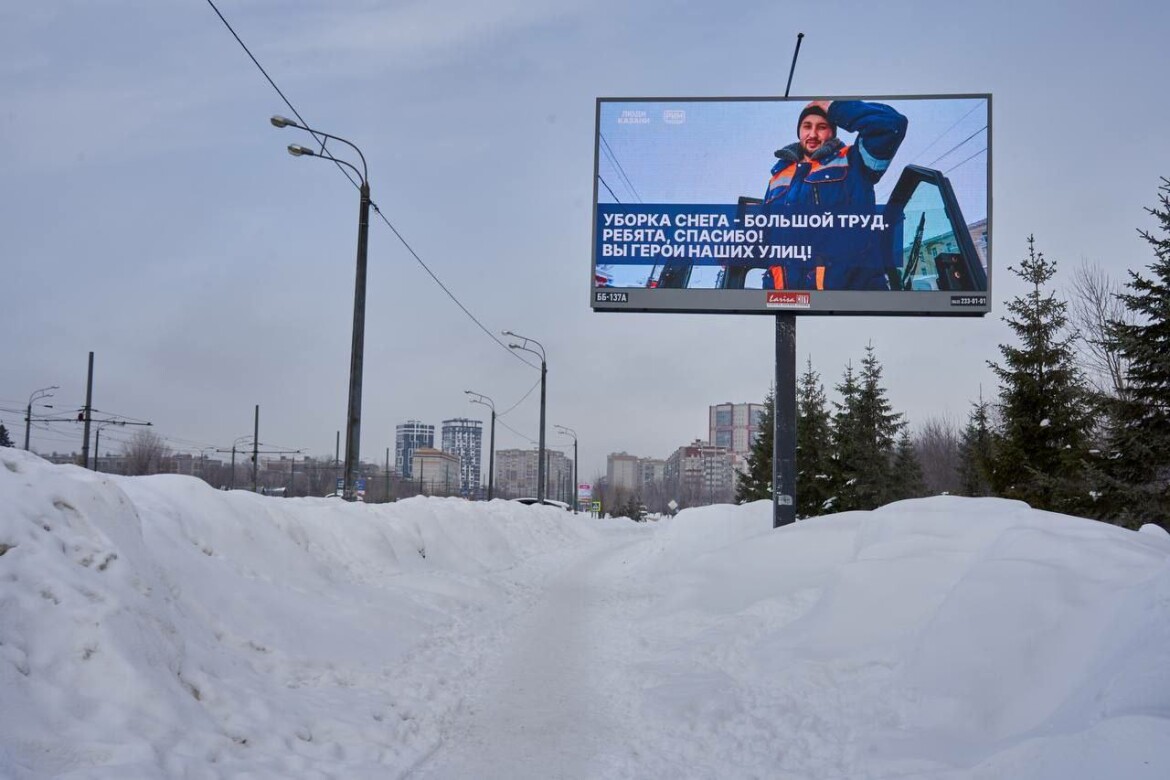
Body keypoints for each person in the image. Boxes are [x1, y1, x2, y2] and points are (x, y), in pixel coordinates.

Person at [762, 99, 907, 290]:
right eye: (807, 126)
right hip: (789, 304)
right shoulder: (777, 178)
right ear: (799, 131)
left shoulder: (855, 161)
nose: (812, 134)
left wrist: (834, 107)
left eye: (821, 127)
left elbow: (891, 124)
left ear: (833, 131)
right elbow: (765, 233)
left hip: (847, 301)